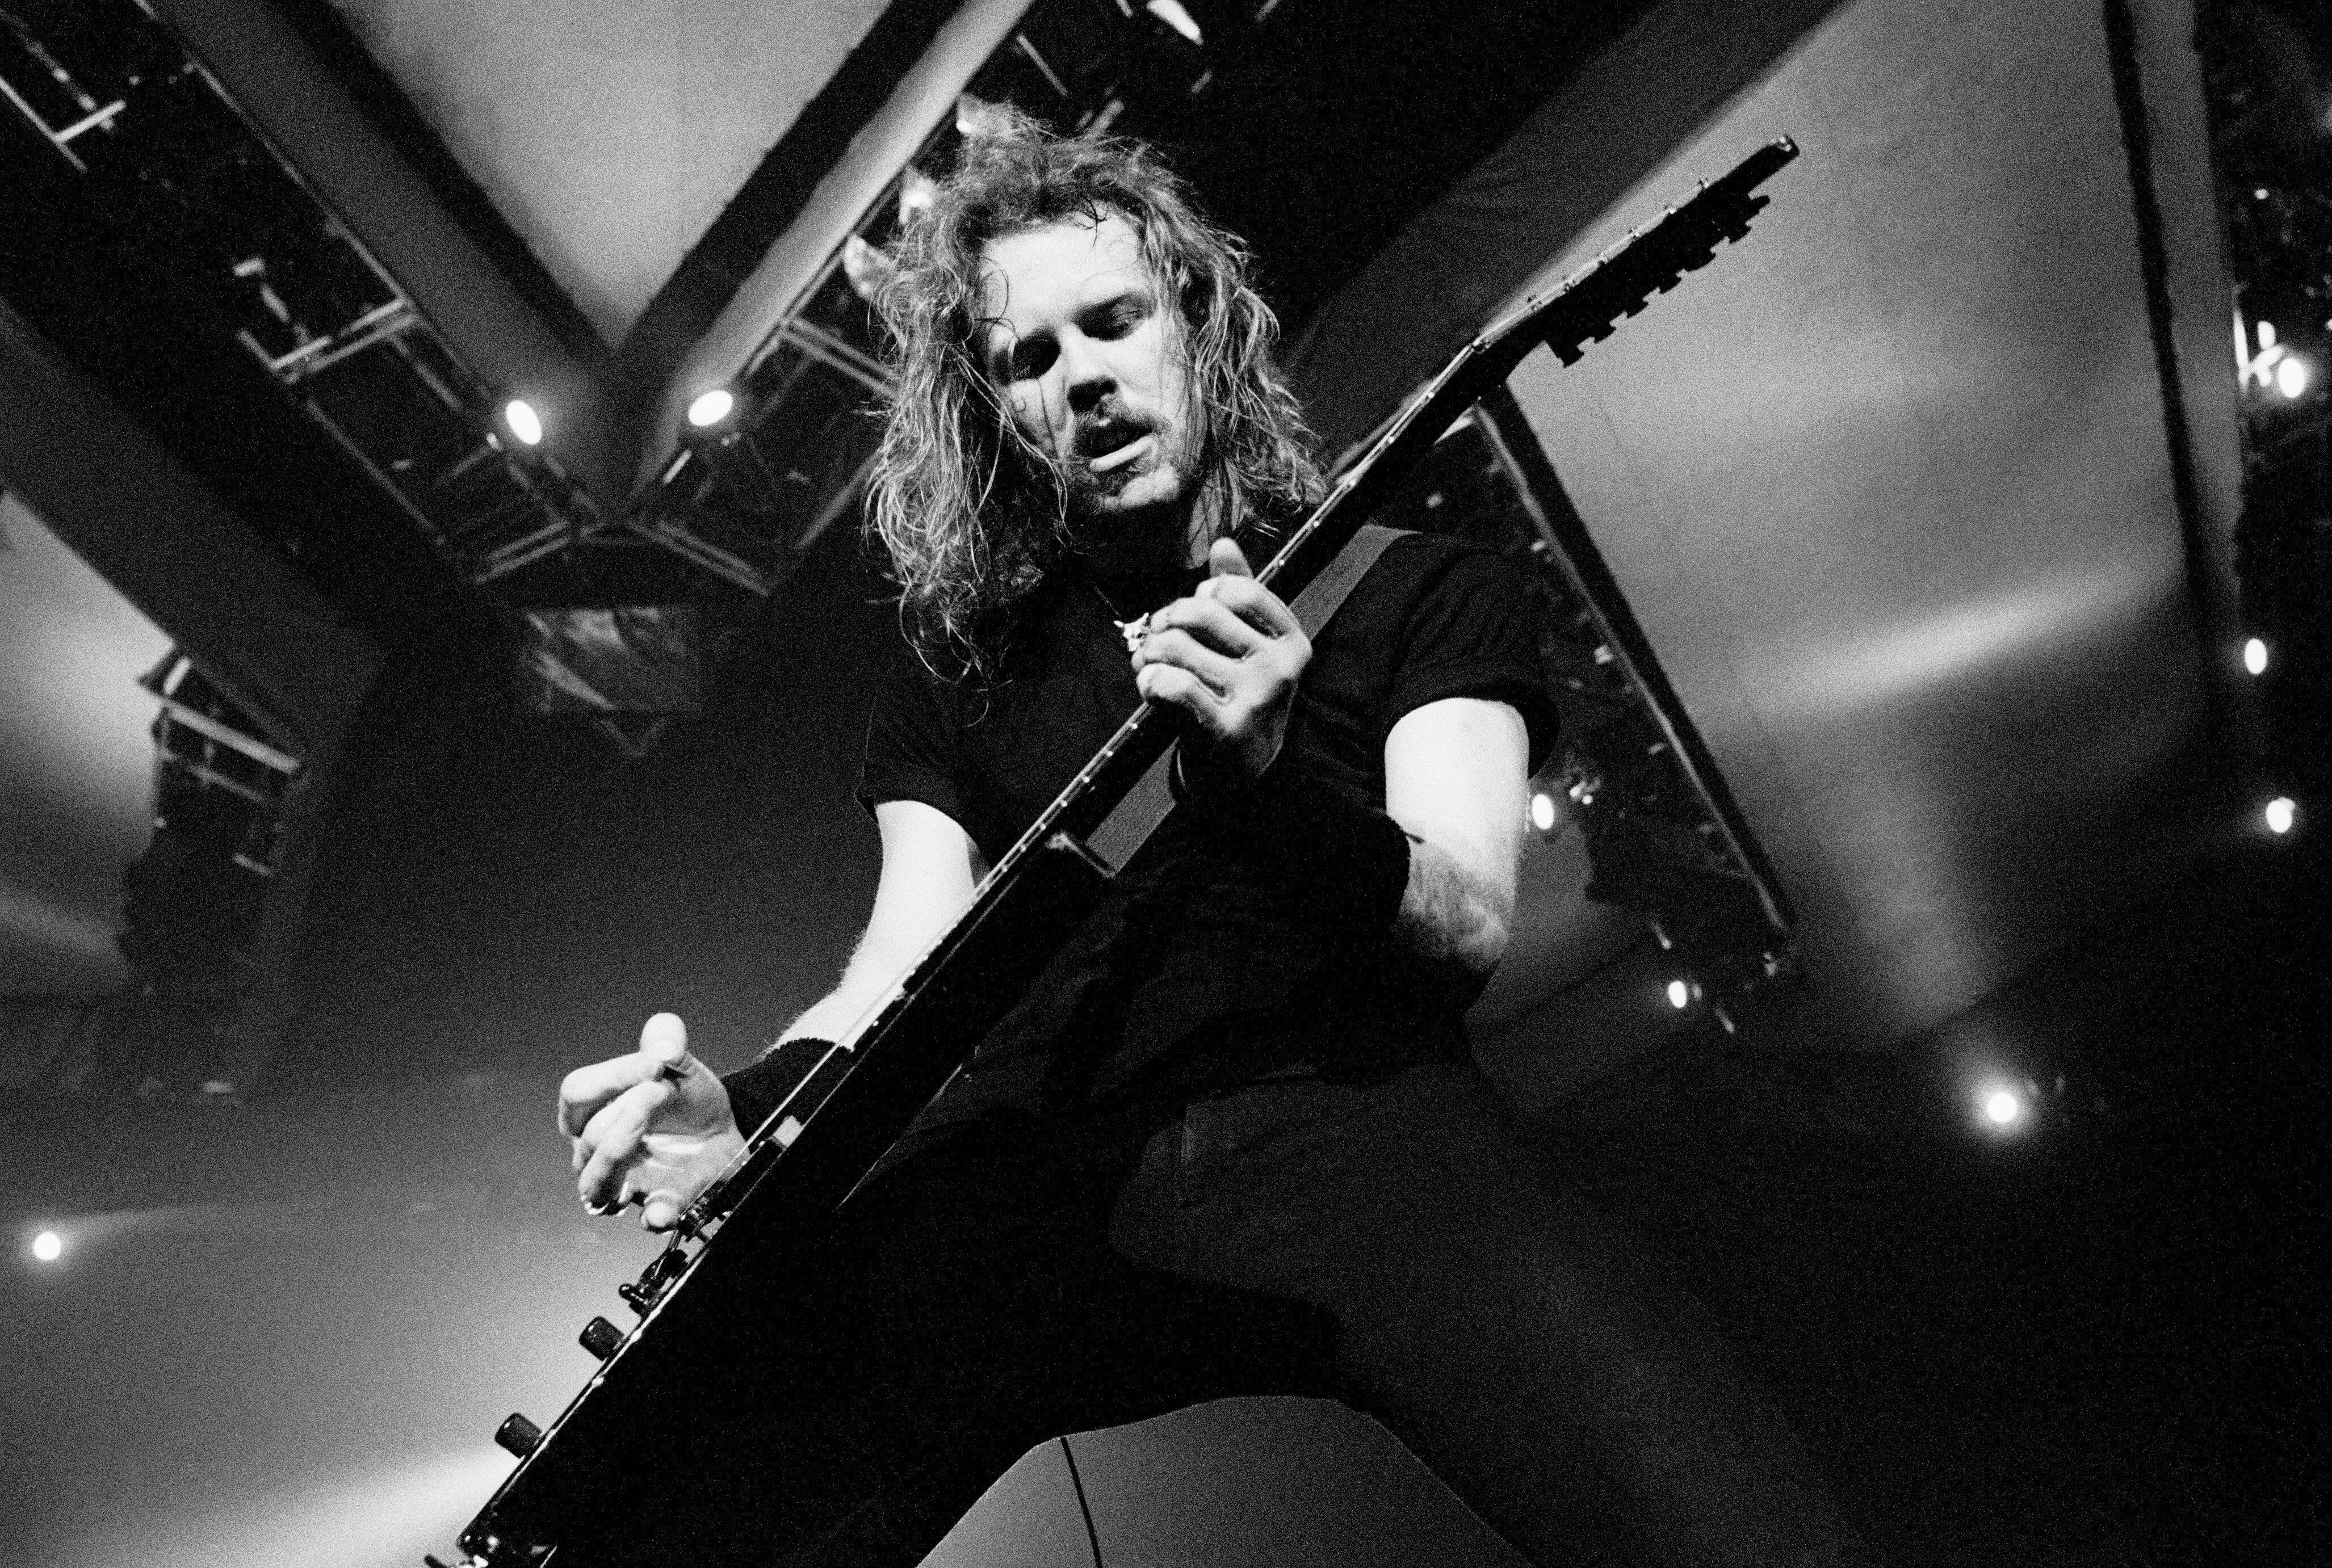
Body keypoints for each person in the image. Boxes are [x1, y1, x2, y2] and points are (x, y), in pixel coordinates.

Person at [558, 116, 1865, 1567]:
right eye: (1028, 357)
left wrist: (1261, 781)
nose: (1082, 376)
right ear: (993, 410)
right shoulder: (961, 673)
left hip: (1348, 1125)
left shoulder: (1412, 588)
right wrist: (750, 1107)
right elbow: (897, 967)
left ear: (1194, 321)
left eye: (1112, 322)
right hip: (1033, 1167)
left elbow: (1464, 921)